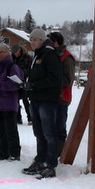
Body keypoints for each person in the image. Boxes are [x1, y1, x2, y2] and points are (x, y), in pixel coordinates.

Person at [22, 29, 62, 179]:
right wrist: (28, 85)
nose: (32, 42)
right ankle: (40, 160)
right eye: (31, 39)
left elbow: (54, 79)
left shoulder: (49, 54)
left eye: (35, 39)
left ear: (42, 40)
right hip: (36, 98)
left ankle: (51, 165)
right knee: (39, 132)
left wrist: (34, 85)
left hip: (47, 100)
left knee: (49, 133)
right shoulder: (37, 55)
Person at [0, 43, 23, 161]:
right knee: (1, 129)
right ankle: (3, 152)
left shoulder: (12, 67)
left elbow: (16, 84)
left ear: (7, 53)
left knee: (11, 129)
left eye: (1, 52)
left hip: (9, 103)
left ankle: (14, 153)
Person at [49, 32, 75, 157]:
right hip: (52, 97)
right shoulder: (52, 55)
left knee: (59, 125)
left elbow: (68, 80)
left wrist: (52, 81)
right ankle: (53, 149)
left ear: (56, 42)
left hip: (62, 97)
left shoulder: (66, 58)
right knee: (51, 125)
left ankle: (60, 151)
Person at [11, 43, 32, 124]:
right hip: (15, 82)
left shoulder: (27, 58)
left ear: (19, 50)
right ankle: (18, 118)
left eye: (16, 52)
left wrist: (21, 73)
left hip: (24, 81)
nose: (15, 54)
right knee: (16, 101)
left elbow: (30, 69)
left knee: (25, 100)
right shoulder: (12, 58)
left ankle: (30, 118)